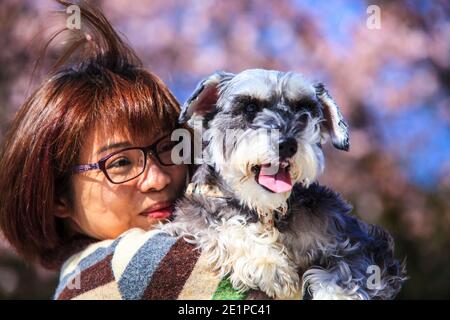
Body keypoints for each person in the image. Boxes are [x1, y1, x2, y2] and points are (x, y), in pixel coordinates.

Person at [0, 1, 267, 300]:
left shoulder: (78, 278)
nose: (158, 179)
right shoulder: (136, 262)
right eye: (121, 162)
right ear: (59, 198)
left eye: (169, 148)